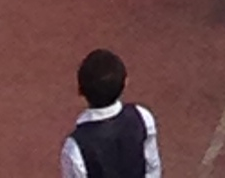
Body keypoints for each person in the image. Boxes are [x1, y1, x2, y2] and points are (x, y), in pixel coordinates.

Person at [61, 47, 160, 178]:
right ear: (125, 83)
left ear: (80, 90)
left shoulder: (75, 147)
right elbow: (153, 169)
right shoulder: (142, 117)